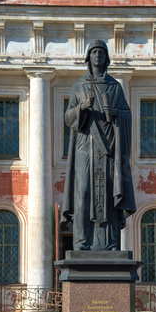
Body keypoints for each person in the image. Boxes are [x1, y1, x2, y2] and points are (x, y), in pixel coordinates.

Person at [60, 40, 136, 251]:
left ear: (106, 58)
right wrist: (82, 108)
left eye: (101, 52)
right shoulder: (79, 86)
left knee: (109, 196)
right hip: (85, 147)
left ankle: (110, 243)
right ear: (88, 57)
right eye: (93, 52)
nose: (97, 56)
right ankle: (81, 242)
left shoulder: (115, 87)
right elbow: (68, 118)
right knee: (83, 192)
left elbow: (127, 116)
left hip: (109, 149)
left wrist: (116, 116)